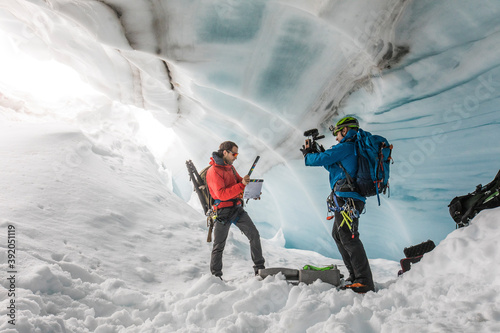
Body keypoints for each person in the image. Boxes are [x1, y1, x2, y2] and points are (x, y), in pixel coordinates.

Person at [300, 116, 375, 293]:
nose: (336, 137)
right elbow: (332, 164)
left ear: (345, 130)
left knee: (348, 236)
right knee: (339, 234)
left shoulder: (347, 146)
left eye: (337, 133)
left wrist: (309, 155)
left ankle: (364, 280)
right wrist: (317, 152)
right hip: (347, 198)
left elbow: (319, 160)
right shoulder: (351, 148)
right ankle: (355, 276)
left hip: (347, 199)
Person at [206, 141, 266, 279]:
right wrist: (241, 185)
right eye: (234, 154)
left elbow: (240, 183)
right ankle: (216, 277)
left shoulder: (230, 168)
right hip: (222, 212)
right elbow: (221, 194)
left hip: (236, 209)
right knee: (219, 245)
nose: (236, 157)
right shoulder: (214, 171)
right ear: (225, 152)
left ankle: (260, 269)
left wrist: (251, 191)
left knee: (254, 235)